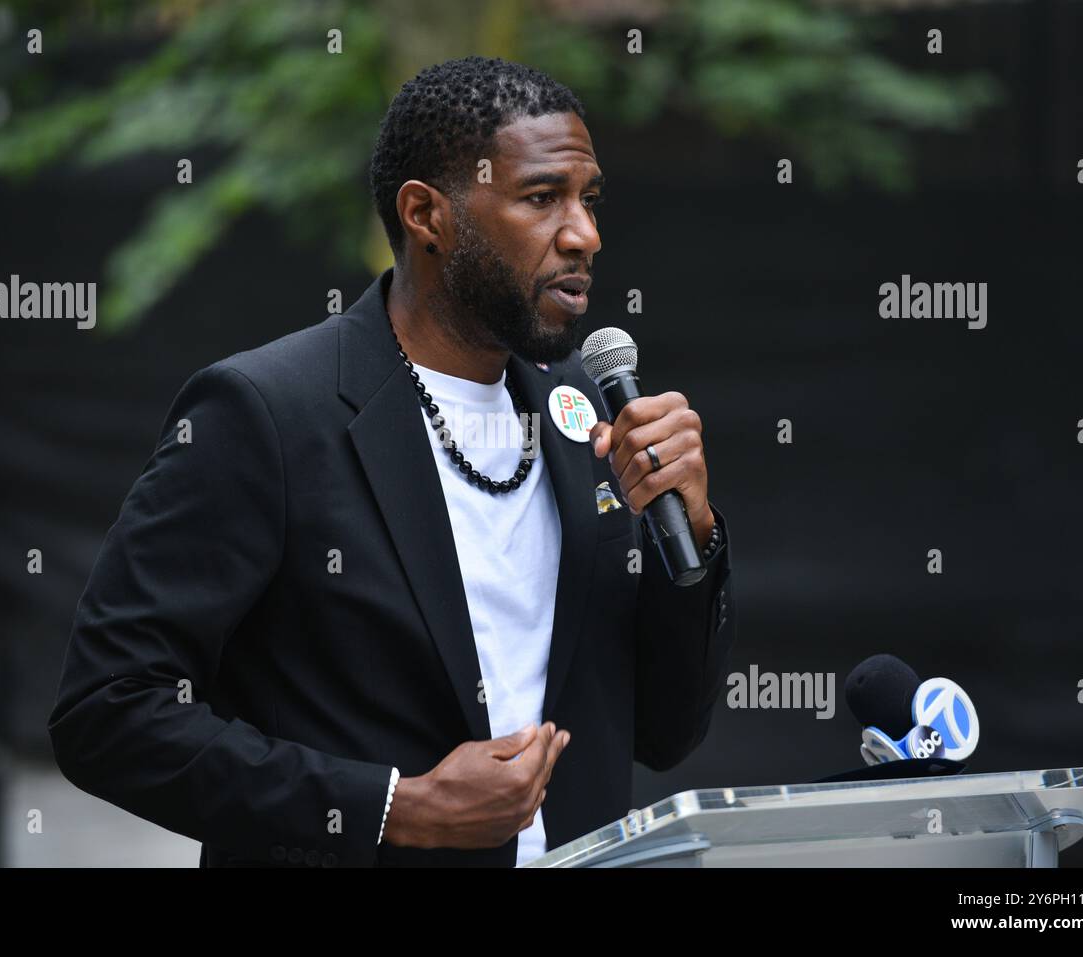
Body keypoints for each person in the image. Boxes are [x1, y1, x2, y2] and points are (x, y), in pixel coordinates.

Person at [49, 55, 736, 868]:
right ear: (427, 215)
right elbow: (108, 711)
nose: (584, 232)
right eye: (542, 197)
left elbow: (663, 732)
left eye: (588, 200)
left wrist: (691, 534)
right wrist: (390, 807)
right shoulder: (267, 413)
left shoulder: (584, 412)